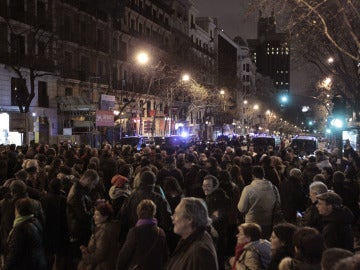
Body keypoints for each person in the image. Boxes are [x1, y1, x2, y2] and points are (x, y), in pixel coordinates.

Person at [167, 197, 218, 270]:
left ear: (190, 219)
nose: (173, 218)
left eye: (176, 214)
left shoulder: (200, 251)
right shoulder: (189, 240)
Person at [116, 199, 168, 270]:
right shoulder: (161, 232)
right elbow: (165, 257)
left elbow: (124, 255)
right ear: (154, 213)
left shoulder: (134, 232)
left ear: (138, 213)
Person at [67, 169, 100, 269]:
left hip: (79, 229)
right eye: (93, 184)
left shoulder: (80, 190)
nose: (93, 187)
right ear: (89, 180)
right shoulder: (77, 193)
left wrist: (94, 203)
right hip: (79, 231)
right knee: (79, 259)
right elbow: (83, 215)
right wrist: (95, 208)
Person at [3, 197, 47, 270]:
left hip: (25, 265)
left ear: (18, 210)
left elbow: (14, 253)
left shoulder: (20, 229)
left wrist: (6, 267)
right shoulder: (35, 221)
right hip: (38, 262)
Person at [238, 166, 279, 238]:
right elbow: (278, 204)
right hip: (268, 222)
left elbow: (241, 208)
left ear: (253, 175)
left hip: (251, 222)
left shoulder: (248, 189)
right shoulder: (274, 188)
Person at [78, 202, 121, 270]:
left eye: (97, 215)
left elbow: (99, 255)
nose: (94, 216)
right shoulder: (108, 228)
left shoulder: (104, 232)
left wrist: (86, 257)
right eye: (94, 214)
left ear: (105, 217)